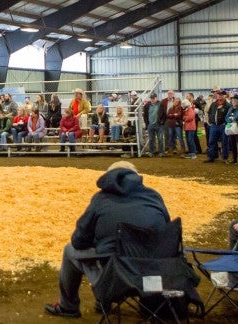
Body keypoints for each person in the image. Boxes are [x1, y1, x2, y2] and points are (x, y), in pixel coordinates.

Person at [44, 161, 170, 318]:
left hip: (116, 278)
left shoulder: (101, 199)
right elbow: (167, 231)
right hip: (156, 276)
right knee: (116, 249)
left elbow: (79, 241)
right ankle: (103, 302)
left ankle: (68, 307)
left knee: (70, 250)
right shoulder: (154, 196)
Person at [205, 89, 231, 163]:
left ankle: (225, 157)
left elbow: (230, 116)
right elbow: (209, 112)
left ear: (224, 96)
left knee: (224, 142)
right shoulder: (214, 104)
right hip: (214, 126)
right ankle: (211, 157)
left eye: (222, 95)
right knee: (211, 141)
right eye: (219, 95)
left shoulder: (228, 105)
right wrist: (210, 121)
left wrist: (226, 123)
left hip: (223, 126)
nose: (220, 96)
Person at [143, 93, 164, 157]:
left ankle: (161, 152)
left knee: (160, 139)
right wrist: (147, 124)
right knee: (151, 139)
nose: (152, 99)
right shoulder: (147, 105)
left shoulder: (160, 104)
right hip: (150, 125)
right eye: (151, 98)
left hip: (159, 125)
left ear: (156, 98)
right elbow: (145, 115)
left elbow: (164, 114)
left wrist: (162, 122)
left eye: (153, 98)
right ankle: (152, 151)